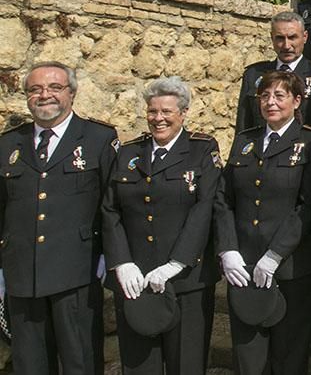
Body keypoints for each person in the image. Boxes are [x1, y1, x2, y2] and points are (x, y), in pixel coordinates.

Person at [0, 61, 117, 375]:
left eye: (54, 87)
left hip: (76, 271)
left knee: (80, 360)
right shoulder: (8, 144)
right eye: (35, 89)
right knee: (29, 363)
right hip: (23, 272)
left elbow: (111, 204)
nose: (44, 95)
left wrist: (110, 257)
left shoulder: (98, 138)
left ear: (72, 93)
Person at [102, 77, 221, 374]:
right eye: (152, 111)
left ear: (183, 113)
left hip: (186, 279)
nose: (159, 119)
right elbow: (109, 208)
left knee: (187, 363)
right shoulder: (128, 152)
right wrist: (121, 262)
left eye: (167, 111)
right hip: (135, 280)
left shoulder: (202, 150)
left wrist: (177, 262)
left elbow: (204, 208)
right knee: (139, 364)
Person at [215, 71, 311, 374]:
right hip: (245, 267)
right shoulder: (244, 141)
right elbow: (223, 200)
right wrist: (227, 250)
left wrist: (276, 253)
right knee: (248, 358)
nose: (270, 102)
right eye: (264, 95)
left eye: (279, 95)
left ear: (297, 100)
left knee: (288, 357)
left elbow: (309, 205)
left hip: (292, 268)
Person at [235, 11, 311, 132]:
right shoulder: (254, 75)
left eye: (292, 37)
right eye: (280, 38)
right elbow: (243, 126)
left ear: (305, 37)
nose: (286, 45)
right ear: (272, 38)